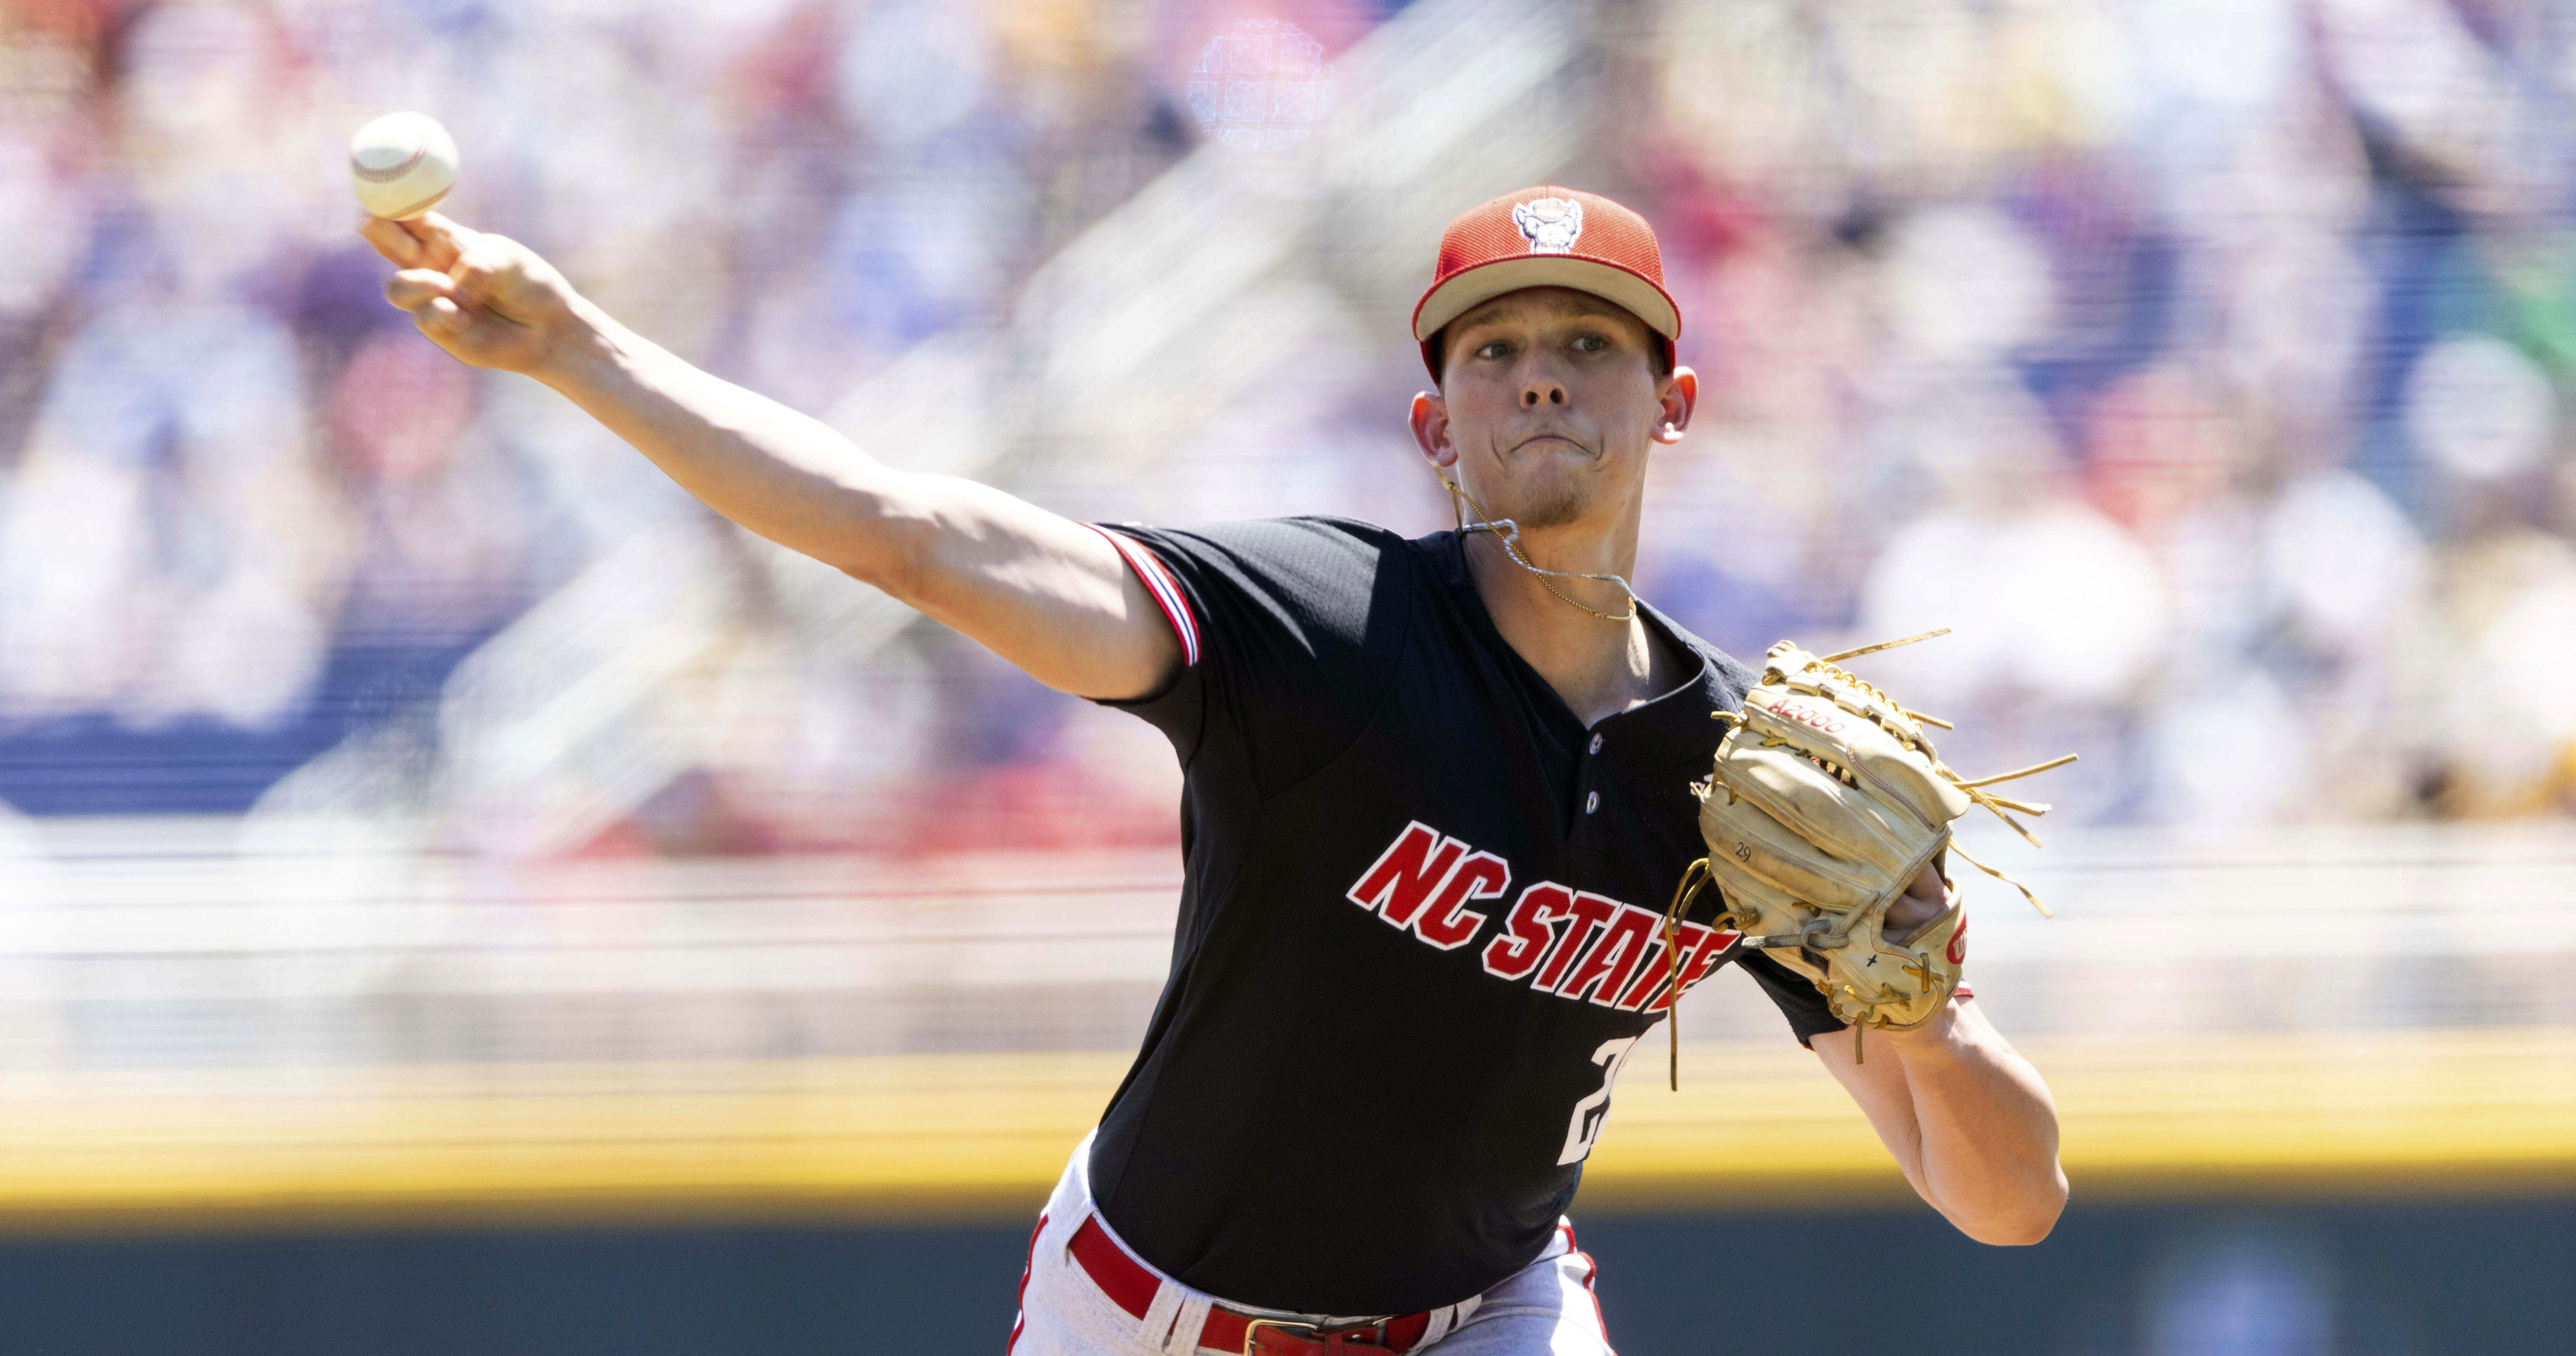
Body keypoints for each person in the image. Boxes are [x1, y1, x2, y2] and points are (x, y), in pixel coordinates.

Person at [361, 184, 2066, 1356]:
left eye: (1589, 338)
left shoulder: (1727, 776)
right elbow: (914, 541)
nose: (1539, 363)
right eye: (1491, 344)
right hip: (1154, 1307)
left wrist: (1928, 1007)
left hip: (1486, 1312)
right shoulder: (1318, 631)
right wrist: (578, 351)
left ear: (1669, 399)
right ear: (1434, 421)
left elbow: (2003, 1203)